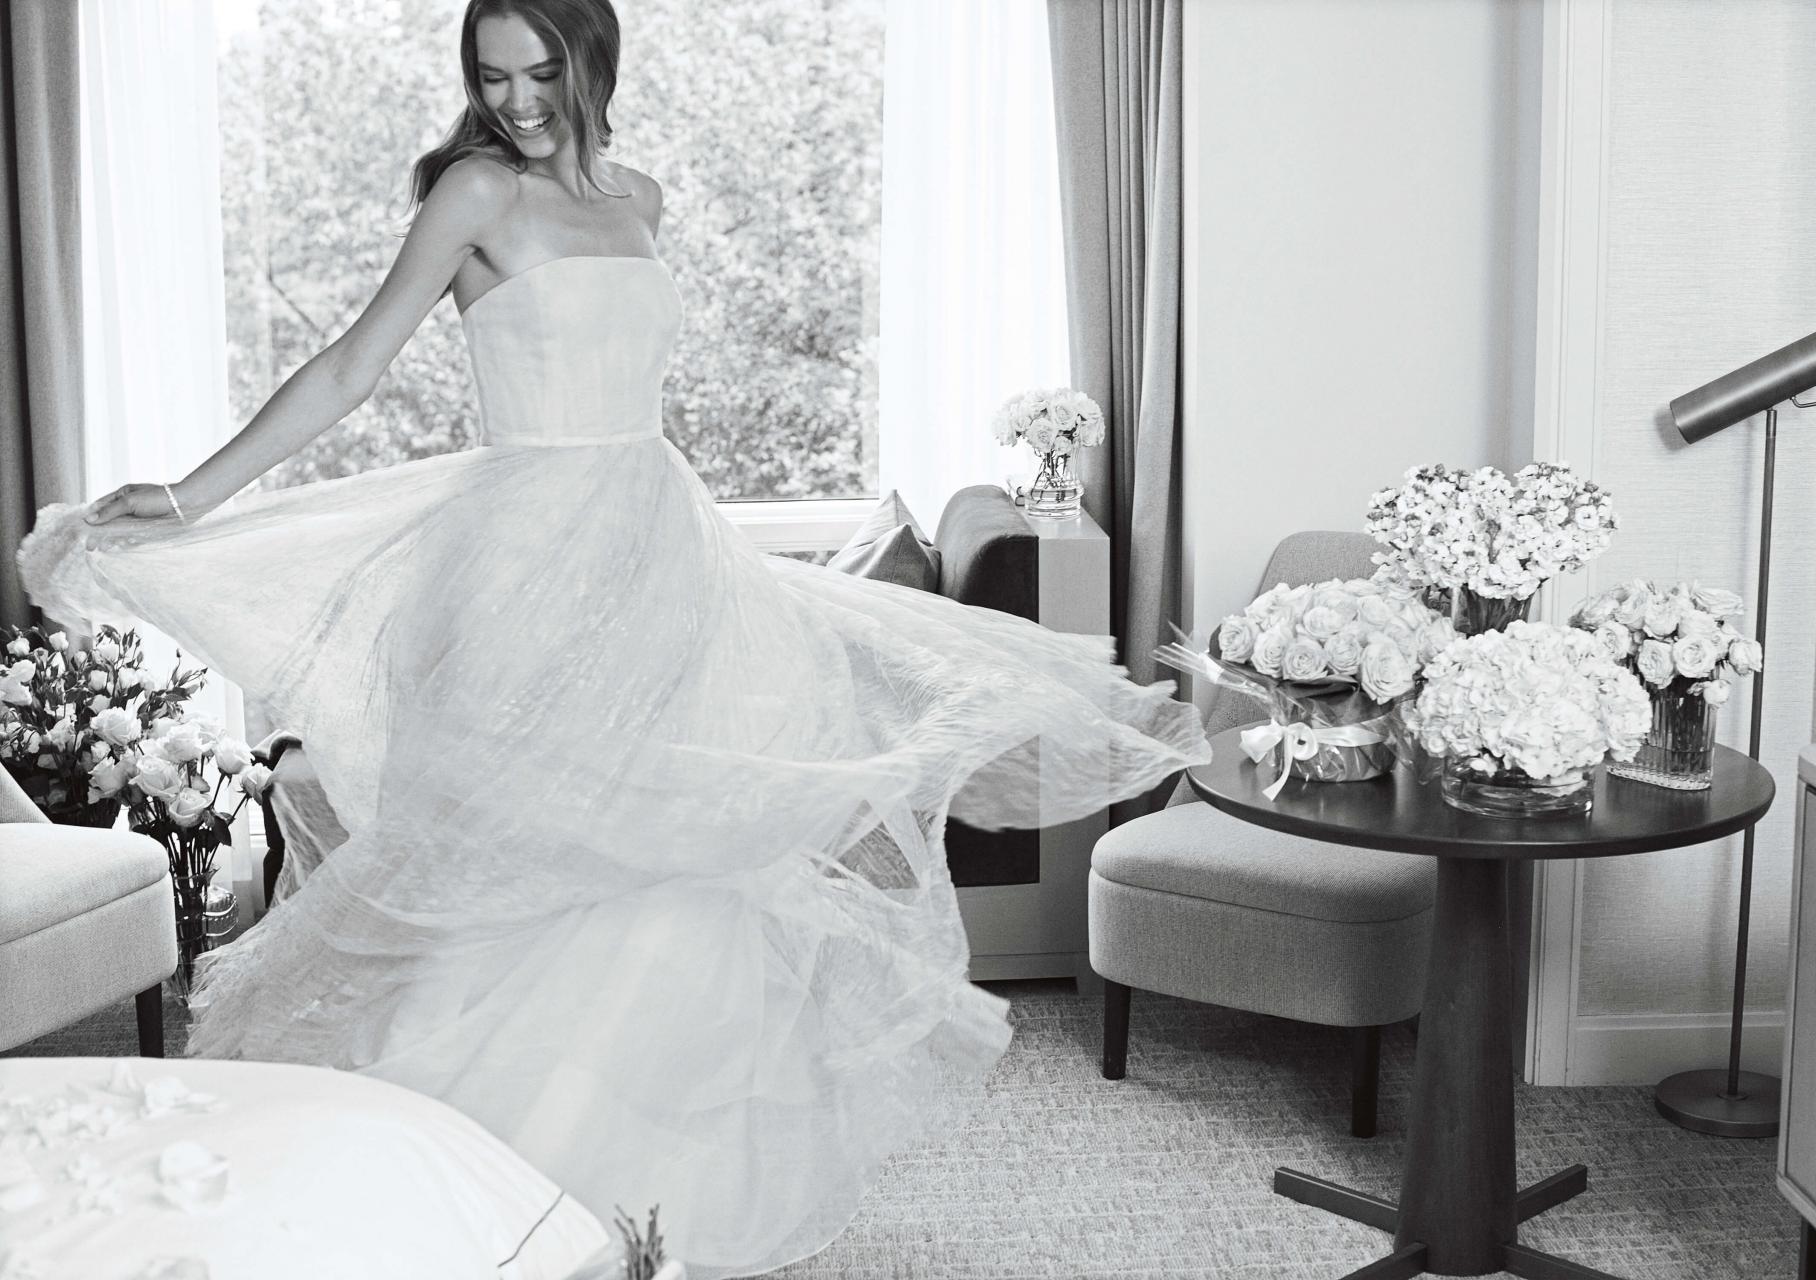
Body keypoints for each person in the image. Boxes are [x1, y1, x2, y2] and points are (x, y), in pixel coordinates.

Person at [17, 1, 1209, 1275]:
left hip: (653, 560)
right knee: (516, 866)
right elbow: (348, 365)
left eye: (542, 70)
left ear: (595, 60)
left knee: (672, 864)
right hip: (517, 567)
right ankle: (474, 1179)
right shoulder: (473, 192)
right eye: (494, 75)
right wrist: (195, 494)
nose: (520, 99)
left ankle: (639, 1192)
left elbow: (627, 384)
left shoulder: (639, 197)